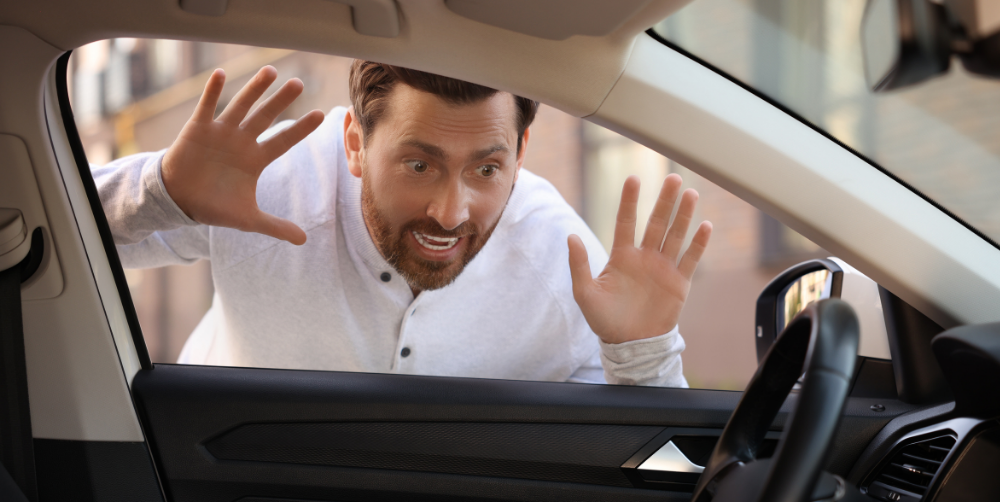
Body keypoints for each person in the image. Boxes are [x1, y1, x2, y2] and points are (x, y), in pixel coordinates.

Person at [92, 60, 712, 385]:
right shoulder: (268, 177)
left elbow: (650, 467)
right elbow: (51, 237)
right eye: (419, 165)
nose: (450, 211)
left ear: (520, 154)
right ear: (355, 144)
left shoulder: (559, 258)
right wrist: (161, 194)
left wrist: (642, 353)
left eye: (486, 170)